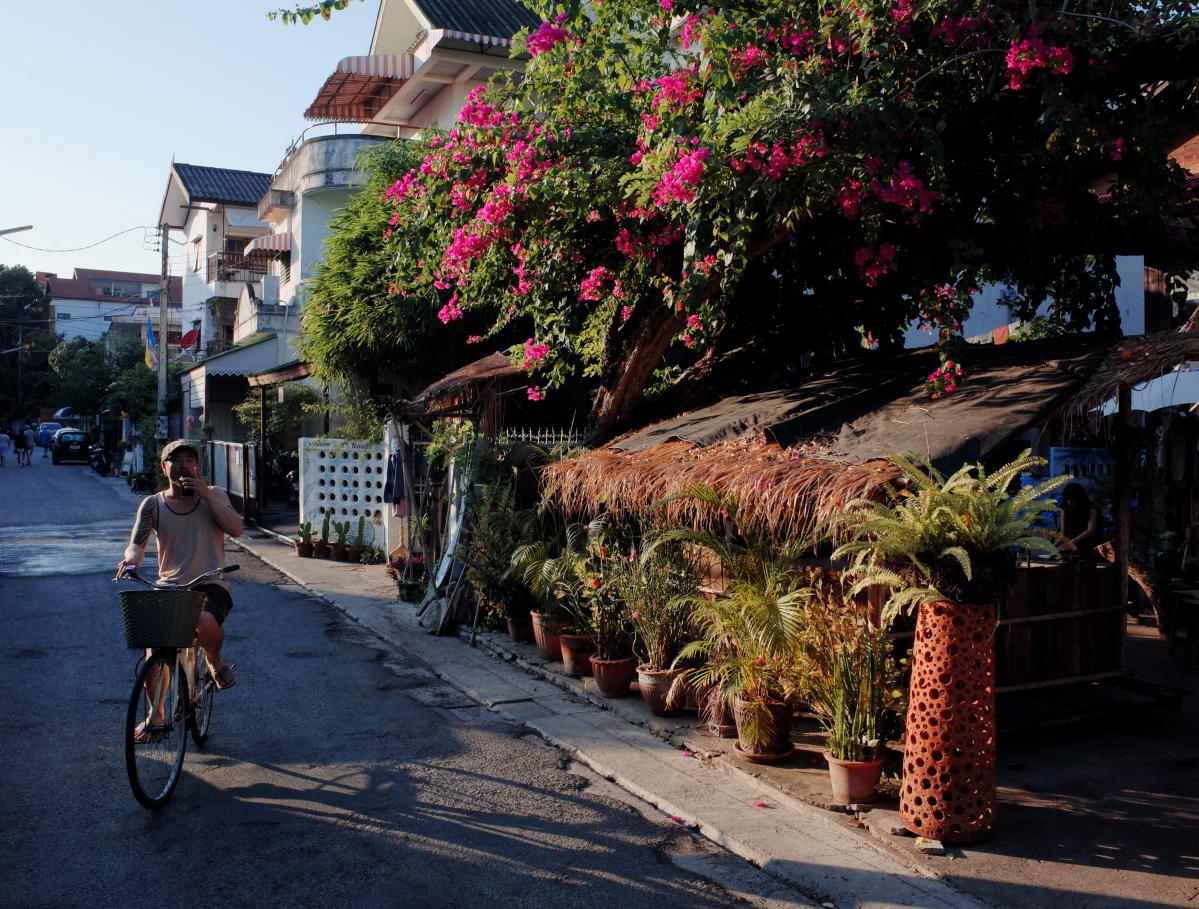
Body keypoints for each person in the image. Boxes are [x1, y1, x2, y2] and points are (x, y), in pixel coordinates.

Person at [118, 440, 245, 731]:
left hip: (210, 581)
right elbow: (136, 545)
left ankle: (213, 661)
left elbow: (236, 528)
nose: (184, 465)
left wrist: (207, 495)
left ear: (196, 466)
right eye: (176, 460)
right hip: (169, 585)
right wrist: (131, 562)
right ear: (165, 467)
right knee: (153, 648)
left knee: (203, 619)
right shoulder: (153, 504)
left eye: (190, 459)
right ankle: (155, 716)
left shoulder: (213, 495)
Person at [1059, 482, 1102, 559]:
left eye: (1072, 499)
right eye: (1067, 499)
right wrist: (1052, 547)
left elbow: (1090, 531)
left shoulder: (1091, 509)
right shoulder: (1065, 510)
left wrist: (1070, 543)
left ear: (1079, 498)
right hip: (1073, 542)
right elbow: (1063, 533)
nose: (1070, 502)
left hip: (1089, 543)